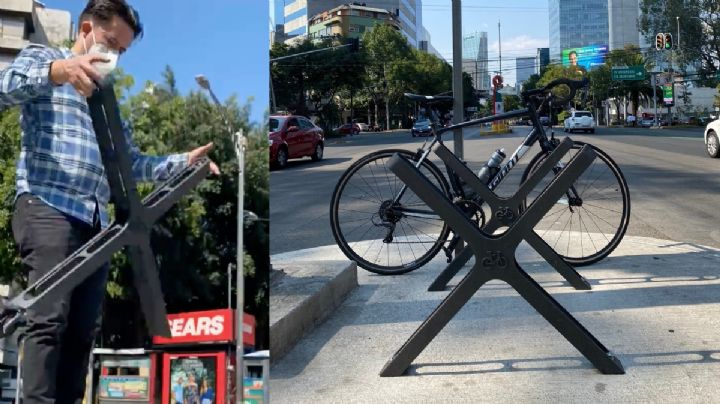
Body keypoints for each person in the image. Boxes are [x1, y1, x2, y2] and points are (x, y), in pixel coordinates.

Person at [0, 1, 219, 402]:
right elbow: (4, 87)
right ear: (86, 28)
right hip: (50, 205)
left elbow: (131, 162)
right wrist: (58, 72)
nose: (115, 56)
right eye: (111, 43)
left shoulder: (107, 95)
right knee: (47, 322)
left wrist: (183, 163)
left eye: (123, 51)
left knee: (82, 331)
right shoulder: (44, 59)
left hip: (98, 227)